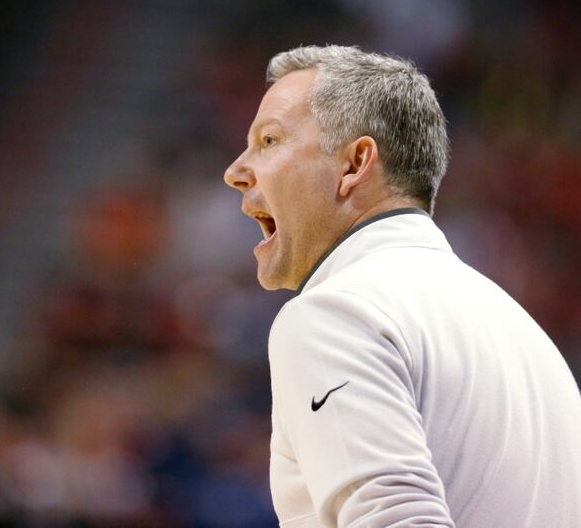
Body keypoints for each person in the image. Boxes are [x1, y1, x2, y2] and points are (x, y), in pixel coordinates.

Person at [223, 44, 581, 528]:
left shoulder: (336, 314)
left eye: (269, 141)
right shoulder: (525, 336)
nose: (236, 172)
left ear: (354, 164)